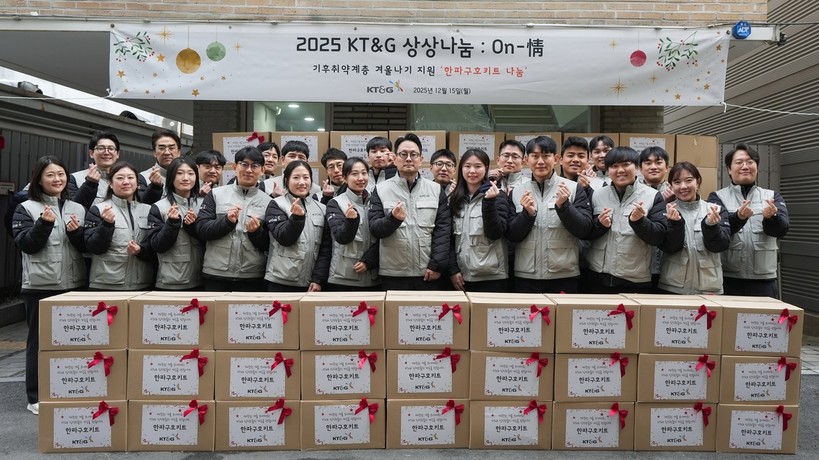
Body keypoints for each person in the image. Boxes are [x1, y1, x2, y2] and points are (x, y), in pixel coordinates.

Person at [12, 156, 87, 416]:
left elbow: (86, 247)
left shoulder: (78, 208)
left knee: (74, 342)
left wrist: (77, 234)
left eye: (61, 174)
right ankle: (35, 395)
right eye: (50, 175)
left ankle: (69, 390)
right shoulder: (26, 208)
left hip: (75, 284)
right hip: (40, 286)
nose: (57, 179)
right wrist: (43, 224)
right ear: (39, 179)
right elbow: (27, 245)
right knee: (39, 343)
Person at [583, 147, 681, 294]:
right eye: (614, 166)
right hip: (596, 277)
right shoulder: (597, 195)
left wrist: (640, 222)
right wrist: (599, 225)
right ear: (608, 170)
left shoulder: (653, 196)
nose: (620, 170)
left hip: (634, 280)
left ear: (636, 167)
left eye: (626, 165)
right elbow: (586, 232)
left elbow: (659, 237)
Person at [506, 136, 594, 293]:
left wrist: (564, 207)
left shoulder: (573, 189)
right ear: (526, 160)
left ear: (557, 159)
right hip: (526, 275)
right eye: (535, 156)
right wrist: (527, 214)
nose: (540, 161)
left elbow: (584, 230)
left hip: (564, 275)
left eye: (546, 156)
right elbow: (511, 235)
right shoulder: (516, 192)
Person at [368, 133, 450, 290]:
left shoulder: (435, 189)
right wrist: (393, 219)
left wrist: (437, 265)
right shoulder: (380, 190)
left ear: (421, 159)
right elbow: (375, 229)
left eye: (413, 154)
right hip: (393, 273)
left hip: (428, 272)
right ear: (395, 158)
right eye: (403, 154)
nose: (408, 159)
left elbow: (443, 231)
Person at [707, 144, 789, 297]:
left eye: (750, 162)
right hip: (728, 277)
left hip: (764, 279)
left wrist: (772, 218)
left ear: (756, 167)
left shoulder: (772, 196)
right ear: (729, 169)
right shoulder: (717, 197)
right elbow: (716, 234)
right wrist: (738, 217)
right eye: (739, 162)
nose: (745, 166)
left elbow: (782, 230)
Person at [194, 146, 272, 291]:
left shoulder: (269, 202)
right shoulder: (215, 194)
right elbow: (202, 230)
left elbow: (271, 243)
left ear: (262, 170)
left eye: (255, 166)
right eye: (244, 164)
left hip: (252, 276)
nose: (249, 170)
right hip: (215, 273)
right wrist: (227, 222)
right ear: (234, 167)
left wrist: (256, 232)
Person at [658, 162, 730, 295]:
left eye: (689, 180)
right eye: (677, 182)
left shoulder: (716, 210)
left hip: (709, 287)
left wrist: (711, 227)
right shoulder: (664, 211)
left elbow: (721, 246)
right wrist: (674, 224)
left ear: (698, 183)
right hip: (673, 287)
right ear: (671, 186)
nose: (683, 186)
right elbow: (669, 247)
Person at [83, 161, 155, 290]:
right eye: (120, 178)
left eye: (130, 177)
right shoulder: (98, 209)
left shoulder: (149, 210)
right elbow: (93, 247)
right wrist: (106, 224)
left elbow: (156, 246)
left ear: (137, 183)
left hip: (142, 284)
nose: (126, 182)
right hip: (106, 284)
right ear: (110, 183)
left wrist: (140, 250)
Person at [447, 149, 511, 292]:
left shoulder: (498, 195)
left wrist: (488, 202)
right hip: (460, 276)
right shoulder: (454, 198)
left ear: (486, 169)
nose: (472, 171)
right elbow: (448, 238)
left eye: (478, 166)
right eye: (467, 166)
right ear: (461, 168)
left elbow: (495, 233)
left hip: (492, 276)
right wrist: (453, 270)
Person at [265, 160, 331, 292]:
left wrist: (318, 279)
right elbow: (284, 238)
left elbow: (326, 248)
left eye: (306, 177)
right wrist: (296, 218)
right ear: (286, 180)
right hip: (280, 280)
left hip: (310, 283)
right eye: (296, 177)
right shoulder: (276, 204)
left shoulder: (322, 208)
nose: (302, 182)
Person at [145, 157, 204, 290]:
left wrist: (194, 227)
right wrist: (171, 224)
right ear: (171, 177)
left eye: (190, 173)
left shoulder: (205, 204)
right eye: (179, 173)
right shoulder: (159, 207)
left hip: (204, 277)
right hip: (171, 279)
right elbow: (157, 246)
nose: (185, 178)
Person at [325, 157, 380, 290]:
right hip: (343, 277)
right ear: (345, 178)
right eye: (354, 174)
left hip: (373, 277)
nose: (361, 178)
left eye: (364, 173)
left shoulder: (376, 200)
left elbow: (383, 237)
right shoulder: (335, 203)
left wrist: (369, 261)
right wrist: (351, 221)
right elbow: (341, 237)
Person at [638, 146, 674, 290]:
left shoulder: (678, 191)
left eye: (658, 162)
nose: (653, 167)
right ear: (640, 168)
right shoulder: (633, 192)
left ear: (667, 167)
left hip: (669, 266)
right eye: (648, 163)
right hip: (639, 265)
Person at [71, 132, 122, 209]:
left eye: (111, 148)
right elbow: (73, 209)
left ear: (117, 154)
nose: (106, 152)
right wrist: (90, 184)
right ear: (91, 153)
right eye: (101, 148)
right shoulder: (74, 179)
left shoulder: (128, 180)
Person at [138, 129, 182, 204]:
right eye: (162, 148)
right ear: (154, 153)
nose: (167, 152)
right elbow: (141, 206)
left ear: (179, 152)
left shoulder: (188, 177)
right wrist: (154, 187)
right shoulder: (143, 178)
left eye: (171, 148)